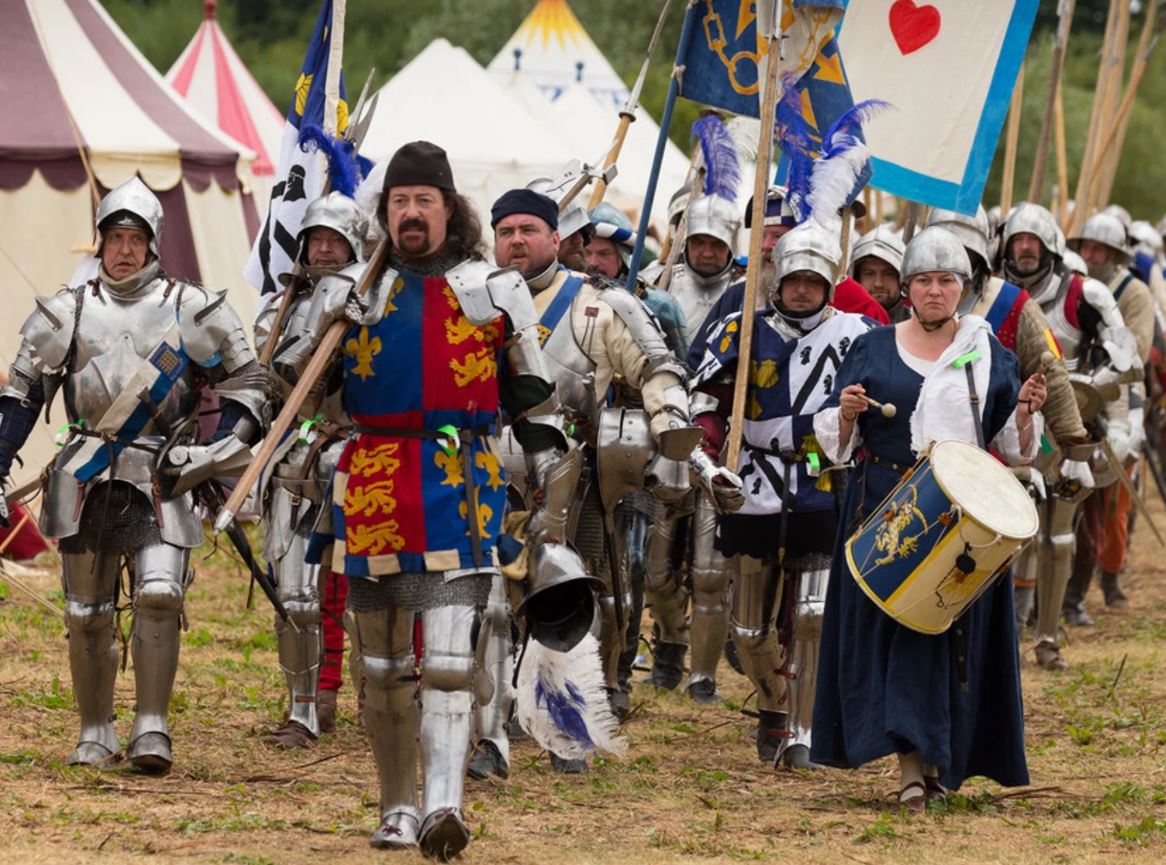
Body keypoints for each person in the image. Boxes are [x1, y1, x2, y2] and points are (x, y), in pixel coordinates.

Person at [273, 142, 568, 858]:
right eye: (399, 200)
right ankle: (397, 805)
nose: (410, 212)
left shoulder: (495, 288)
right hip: (373, 477)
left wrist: (549, 488)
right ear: (387, 211)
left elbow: (535, 402)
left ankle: (444, 803)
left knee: (444, 659)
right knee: (382, 668)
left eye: (423, 200)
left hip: (459, 480)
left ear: (449, 209)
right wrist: (322, 320)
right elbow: (294, 385)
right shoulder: (354, 290)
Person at [0, 177, 268, 773]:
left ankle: (152, 727)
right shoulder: (67, 310)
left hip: (162, 472)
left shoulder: (189, 307)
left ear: (153, 244)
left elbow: (249, 384)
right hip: (86, 471)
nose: (124, 249)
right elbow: (20, 397)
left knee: (160, 594)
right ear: (99, 243)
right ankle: (95, 731)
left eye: (135, 239)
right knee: (85, 612)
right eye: (114, 237)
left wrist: (217, 452)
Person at [475, 188, 725, 774]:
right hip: (483, 470)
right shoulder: (471, 302)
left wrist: (671, 429)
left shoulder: (596, 305)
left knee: (579, 603)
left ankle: (568, 728)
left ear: (556, 239)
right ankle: (491, 732)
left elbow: (657, 368)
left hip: (571, 476)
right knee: (486, 603)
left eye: (529, 230)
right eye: (506, 230)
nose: (517, 241)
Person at [811, 227, 1045, 810]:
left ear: (963, 288)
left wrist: (1023, 413)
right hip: (886, 508)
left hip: (963, 515)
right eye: (924, 281)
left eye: (946, 281)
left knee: (952, 641)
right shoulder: (871, 347)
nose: (935, 291)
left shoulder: (990, 354)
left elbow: (1015, 451)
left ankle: (938, 761)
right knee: (900, 637)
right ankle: (911, 770)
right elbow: (829, 449)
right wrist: (843, 415)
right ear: (907, 289)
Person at [691, 220, 876, 767]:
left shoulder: (859, 334)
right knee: (749, 628)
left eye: (814, 280)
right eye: (794, 277)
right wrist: (707, 465)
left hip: (823, 481)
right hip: (752, 484)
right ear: (777, 278)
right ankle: (774, 703)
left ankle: (804, 730)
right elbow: (701, 405)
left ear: (829, 283)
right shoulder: (739, 329)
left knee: (815, 613)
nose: (802, 288)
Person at [933, 203, 1091, 669]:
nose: (950, 264)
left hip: (996, 457)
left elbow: (1050, 370)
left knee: (986, 564)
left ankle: (996, 648)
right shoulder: (915, 300)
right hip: (926, 458)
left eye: (962, 253)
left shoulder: (1011, 304)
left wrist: (1073, 444)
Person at [255, 192, 367, 747]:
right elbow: (263, 380)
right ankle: (305, 708)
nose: (323, 248)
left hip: (357, 452)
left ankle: (380, 696)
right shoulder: (279, 304)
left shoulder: (375, 298)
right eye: (315, 239)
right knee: (296, 594)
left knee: (365, 592)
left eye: (335, 239)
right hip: (294, 454)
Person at [1065, 212, 1153, 619]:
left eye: (1099, 248)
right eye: (1086, 246)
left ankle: (1107, 579)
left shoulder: (1133, 292)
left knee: (1111, 500)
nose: (1090, 253)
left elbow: (1132, 349)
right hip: (1072, 395)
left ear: (1114, 254)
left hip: (1118, 396)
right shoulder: (1072, 285)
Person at [849, 224, 908, 322]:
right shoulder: (842, 328)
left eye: (888, 273)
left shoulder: (922, 327)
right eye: (869, 274)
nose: (878, 283)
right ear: (857, 278)